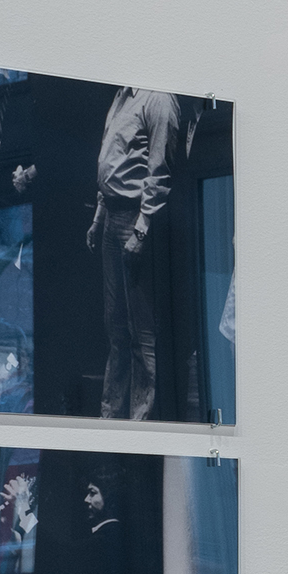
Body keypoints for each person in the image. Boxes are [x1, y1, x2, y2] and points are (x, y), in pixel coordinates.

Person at [89, 88, 181, 419]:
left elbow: (160, 169)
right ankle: (110, 417)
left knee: (142, 331)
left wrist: (141, 229)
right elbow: (112, 160)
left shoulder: (157, 98)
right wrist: (99, 218)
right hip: (113, 216)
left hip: (135, 218)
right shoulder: (121, 96)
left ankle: (140, 424)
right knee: (114, 325)